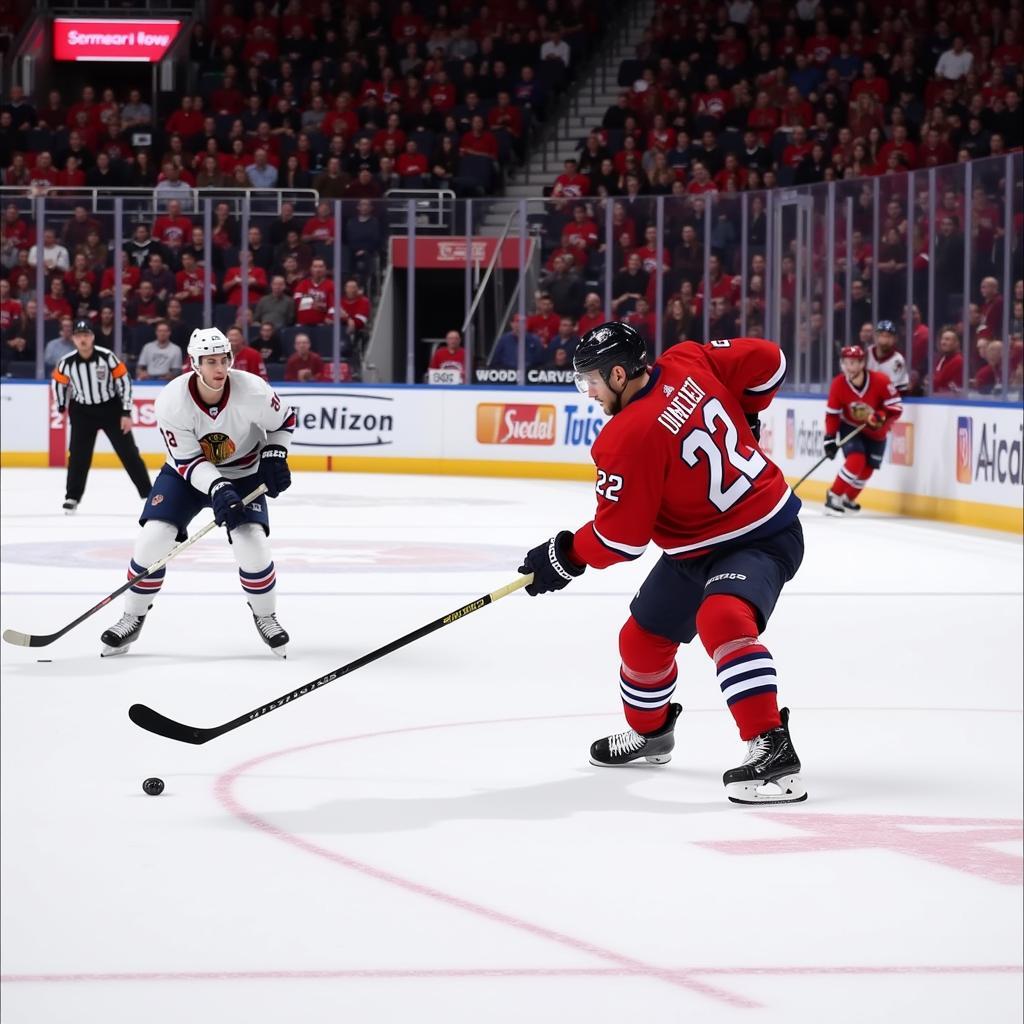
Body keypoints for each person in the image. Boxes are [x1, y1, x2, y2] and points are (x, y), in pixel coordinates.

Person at [516, 323, 808, 805]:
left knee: (722, 618)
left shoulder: (626, 436)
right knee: (641, 639)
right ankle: (651, 734)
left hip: (761, 534)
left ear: (617, 373)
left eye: (590, 380)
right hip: (694, 547)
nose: (587, 392)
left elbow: (619, 539)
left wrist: (564, 556)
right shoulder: (688, 358)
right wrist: (749, 412)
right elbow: (770, 361)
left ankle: (772, 748)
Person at [99, 327, 296, 658]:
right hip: (186, 476)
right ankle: (132, 615)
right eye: (210, 362)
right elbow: (188, 461)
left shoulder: (253, 391)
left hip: (244, 474)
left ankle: (266, 616)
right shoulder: (172, 402)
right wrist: (218, 487)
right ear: (194, 363)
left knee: (253, 544)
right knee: (153, 538)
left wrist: (276, 453)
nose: (219, 369)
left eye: (224, 360)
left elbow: (284, 421)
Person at [51, 319, 152, 514]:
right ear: (73, 339)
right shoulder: (66, 362)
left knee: (129, 453)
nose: (83, 339)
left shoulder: (107, 357)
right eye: (79, 336)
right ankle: (72, 497)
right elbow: (58, 383)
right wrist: (61, 405)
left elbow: (125, 382)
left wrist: (126, 411)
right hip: (82, 412)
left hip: (110, 409)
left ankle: (148, 493)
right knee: (78, 456)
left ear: (92, 337)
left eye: (86, 335)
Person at [822, 345, 903, 515]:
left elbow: (896, 407)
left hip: (877, 431)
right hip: (851, 426)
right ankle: (833, 495)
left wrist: (880, 416)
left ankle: (847, 498)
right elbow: (832, 414)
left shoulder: (881, 380)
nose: (849, 367)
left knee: (868, 469)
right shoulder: (838, 383)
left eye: (853, 363)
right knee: (856, 459)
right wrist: (830, 438)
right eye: (846, 363)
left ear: (862, 363)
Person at [866, 319, 909, 392]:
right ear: (875, 337)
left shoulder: (898, 361)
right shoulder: (867, 354)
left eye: (888, 336)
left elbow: (894, 390)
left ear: (895, 339)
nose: (884, 340)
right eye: (881, 335)